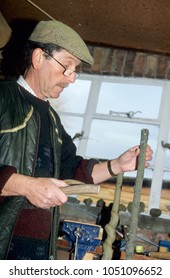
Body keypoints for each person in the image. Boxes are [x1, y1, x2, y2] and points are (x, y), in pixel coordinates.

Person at [0, 20, 153, 260]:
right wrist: (27, 186)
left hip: (38, 250)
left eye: (75, 70)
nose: (72, 78)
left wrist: (118, 165)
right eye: (67, 66)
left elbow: (71, 168)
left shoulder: (51, 119)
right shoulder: (3, 98)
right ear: (39, 58)